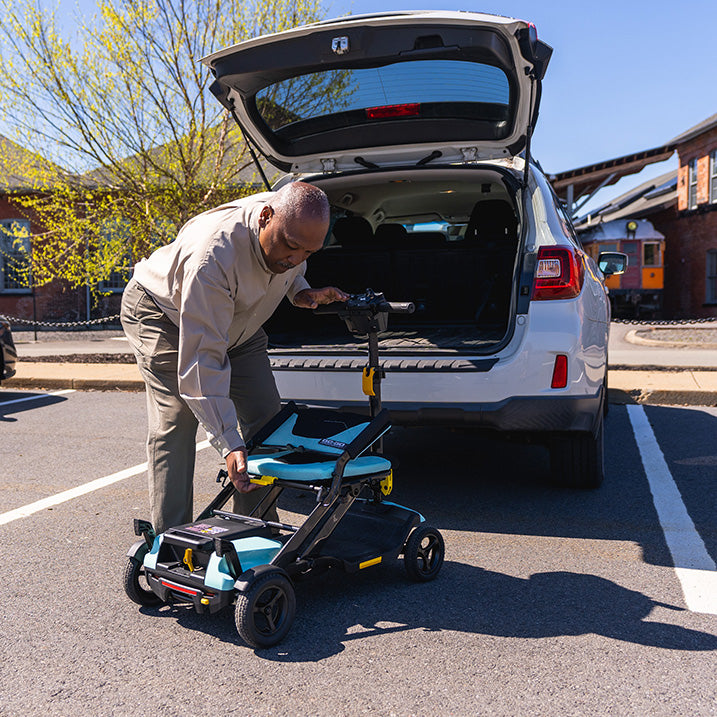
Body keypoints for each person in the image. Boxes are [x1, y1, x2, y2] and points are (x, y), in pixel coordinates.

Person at [120, 182, 348, 534]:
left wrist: (300, 290)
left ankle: (252, 526)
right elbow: (202, 363)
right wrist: (228, 443)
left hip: (237, 320)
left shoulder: (288, 232)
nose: (296, 259)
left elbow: (291, 261)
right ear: (266, 217)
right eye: (291, 247)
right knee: (177, 420)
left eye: (308, 252)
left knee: (267, 419)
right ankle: (170, 541)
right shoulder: (212, 260)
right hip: (163, 314)